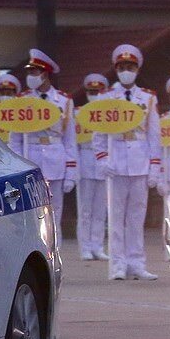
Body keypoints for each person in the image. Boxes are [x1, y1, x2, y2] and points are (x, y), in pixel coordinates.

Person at [94, 44, 161, 280]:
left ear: (137, 69)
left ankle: (137, 263)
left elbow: (154, 135)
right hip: (116, 160)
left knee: (136, 218)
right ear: (115, 69)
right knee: (115, 218)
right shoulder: (106, 98)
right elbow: (98, 134)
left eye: (130, 67)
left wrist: (155, 166)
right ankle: (117, 266)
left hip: (140, 161)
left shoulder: (148, 99)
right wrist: (102, 159)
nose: (126, 71)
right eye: (122, 67)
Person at [9, 49, 76, 232]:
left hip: (56, 160)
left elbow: (70, 140)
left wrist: (71, 172)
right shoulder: (22, 100)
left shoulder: (63, 101)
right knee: (32, 214)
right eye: (29, 72)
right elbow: (15, 139)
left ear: (45, 74)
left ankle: (55, 256)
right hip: (31, 159)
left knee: (55, 212)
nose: (30, 76)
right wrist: (17, 166)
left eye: (34, 72)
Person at [75, 73, 110, 260]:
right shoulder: (78, 113)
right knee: (85, 209)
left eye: (97, 91)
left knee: (100, 210)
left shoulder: (109, 113)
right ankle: (85, 247)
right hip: (86, 159)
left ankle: (98, 246)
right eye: (91, 91)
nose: (94, 94)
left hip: (104, 162)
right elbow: (74, 142)